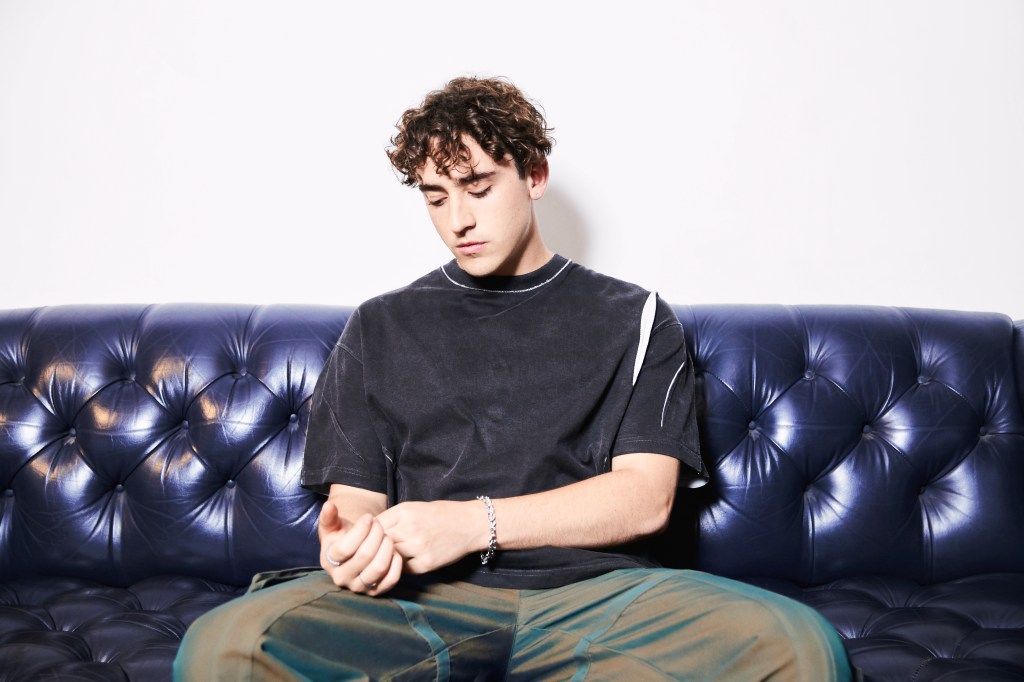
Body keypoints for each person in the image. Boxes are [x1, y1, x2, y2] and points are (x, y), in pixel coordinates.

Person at [174, 76, 852, 680]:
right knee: (224, 647)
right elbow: (357, 505)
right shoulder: (378, 325)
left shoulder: (639, 316)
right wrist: (354, 545)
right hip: (423, 599)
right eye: (436, 197)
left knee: (797, 646)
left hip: (601, 597)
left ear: (534, 175)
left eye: (478, 188)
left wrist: (475, 524)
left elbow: (647, 499)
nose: (458, 220)